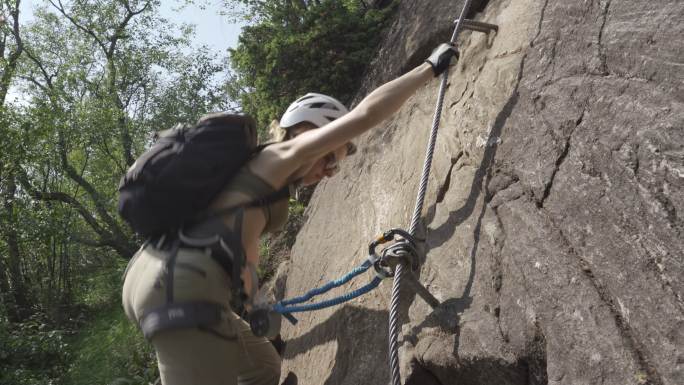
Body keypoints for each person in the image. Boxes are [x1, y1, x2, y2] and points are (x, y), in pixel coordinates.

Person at [122, 43, 458, 385]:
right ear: (307, 132)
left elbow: (238, 246)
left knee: (262, 366)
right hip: (180, 288)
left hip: (153, 274)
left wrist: (253, 305)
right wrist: (429, 67)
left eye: (336, 165)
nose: (329, 171)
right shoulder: (280, 157)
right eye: (330, 157)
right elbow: (364, 116)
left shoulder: (253, 175)